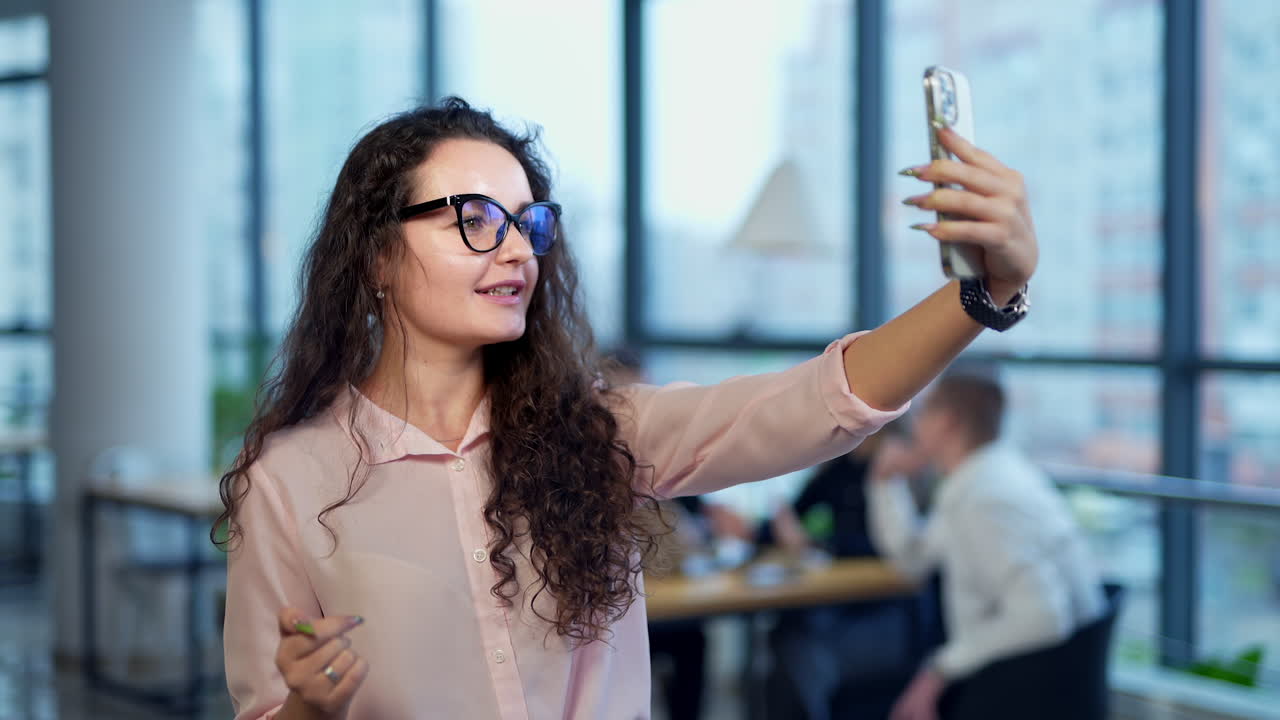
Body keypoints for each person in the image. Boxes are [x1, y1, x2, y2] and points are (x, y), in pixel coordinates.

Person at [215, 96, 1040, 720]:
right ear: (376, 257)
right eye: (474, 219)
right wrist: (308, 709)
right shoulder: (288, 482)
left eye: (527, 223)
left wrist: (982, 294)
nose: (514, 248)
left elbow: (817, 401)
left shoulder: (602, 434)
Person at [866, 374, 1105, 720]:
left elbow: (1044, 616)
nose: (914, 424)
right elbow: (913, 559)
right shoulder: (984, 476)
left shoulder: (986, 498)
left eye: (923, 412)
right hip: (1025, 679)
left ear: (946, 422)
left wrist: (938, 670)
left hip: (1020, 688)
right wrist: (885, 484)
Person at [761, 423, 939, 720]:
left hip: (888, 612)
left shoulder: (900, 469)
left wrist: (814, 544)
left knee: (798, 652)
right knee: (787, 635)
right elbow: (791, 518)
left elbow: (895, 549)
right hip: (839, 607)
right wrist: (769, 530)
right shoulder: (839, 468)